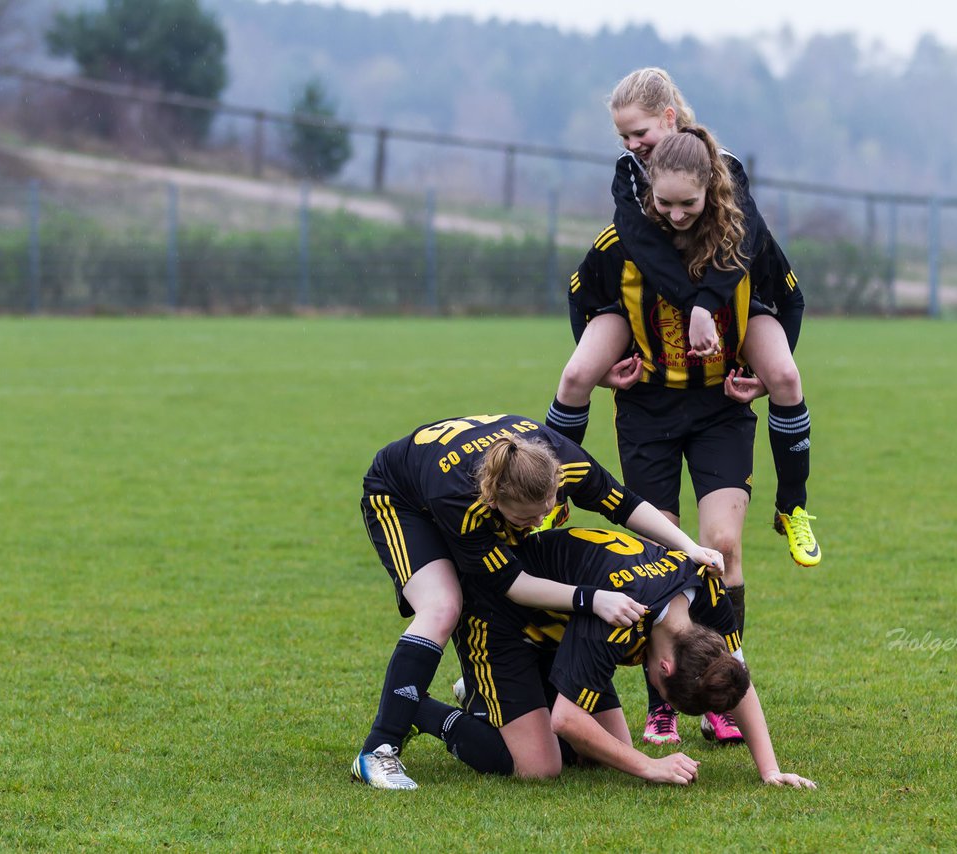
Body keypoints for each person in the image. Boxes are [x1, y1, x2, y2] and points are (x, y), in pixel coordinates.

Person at [558, 126, 798, 748]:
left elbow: (787, 295)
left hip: (719, 407)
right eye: (662, 203)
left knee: (721, 545)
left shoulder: (741, 238)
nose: (673, 213)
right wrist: (602, 364)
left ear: (710, 190)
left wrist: (768, 368)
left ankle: (725, 690)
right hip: (647, 411)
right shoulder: (623, 241)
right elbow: (582, 294)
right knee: (662, 562)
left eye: (686, 204)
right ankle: (663, 700)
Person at [350, 413, 724, 790]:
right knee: (443, 605)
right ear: (493, 501)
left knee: (595, 752)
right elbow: (511, 583)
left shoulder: (563, 460)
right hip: (401, 497)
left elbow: (623, 503)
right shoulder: (462, 503)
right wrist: (592, 599)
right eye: (527, 517)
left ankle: (489, 693)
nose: (539, 521)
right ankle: (380, 747)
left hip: (459, 471)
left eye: (547, 508)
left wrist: (690, 547)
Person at [544, 66, 821, 573]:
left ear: (669, 118)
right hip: (644, 323)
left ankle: (793, 506)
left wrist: (706, 306)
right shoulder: (630, 179)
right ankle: (550, 493)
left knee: (784, 375)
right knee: (577, 373)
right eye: (623, 136)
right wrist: (680, 308)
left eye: (640, 133)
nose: (631, 144)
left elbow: (747, 244)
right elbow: (642, 246)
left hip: (726, 322)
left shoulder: (725, 173)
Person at [407, 526, 816, 789]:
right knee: (538, 765)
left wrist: (770, 770)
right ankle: (420, 709)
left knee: (606, 750)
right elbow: (565, 719)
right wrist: (648, 766)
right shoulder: (618, 615)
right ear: (664, 668)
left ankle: (512, 699)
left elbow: (736, 675)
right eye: (665, 696)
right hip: (499, 615)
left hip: (560, 626)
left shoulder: (707, 591)